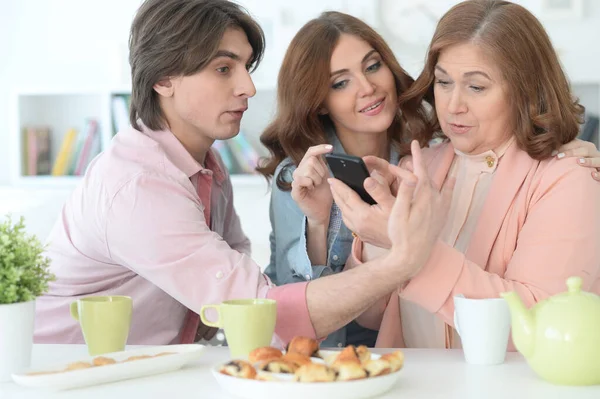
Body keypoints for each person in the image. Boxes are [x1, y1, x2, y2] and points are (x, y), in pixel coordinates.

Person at [31, 0, 434, 347]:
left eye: (245, 66)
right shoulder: (139, 187)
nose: (249, 87)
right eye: (224, 69)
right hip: (73, 374)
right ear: (162, 79)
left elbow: (234, 286)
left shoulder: (204, 165)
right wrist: (398, 262)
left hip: (149, 365)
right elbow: (258, 314)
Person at [257, 10, 600, 348]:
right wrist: (378, 241)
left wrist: (409, 249)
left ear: (526, 89)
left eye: (477, 87)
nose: (453, 106)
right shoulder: (418, 165)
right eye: (443, 82)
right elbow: (373, 316)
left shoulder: (569, 176)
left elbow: (540, 323)